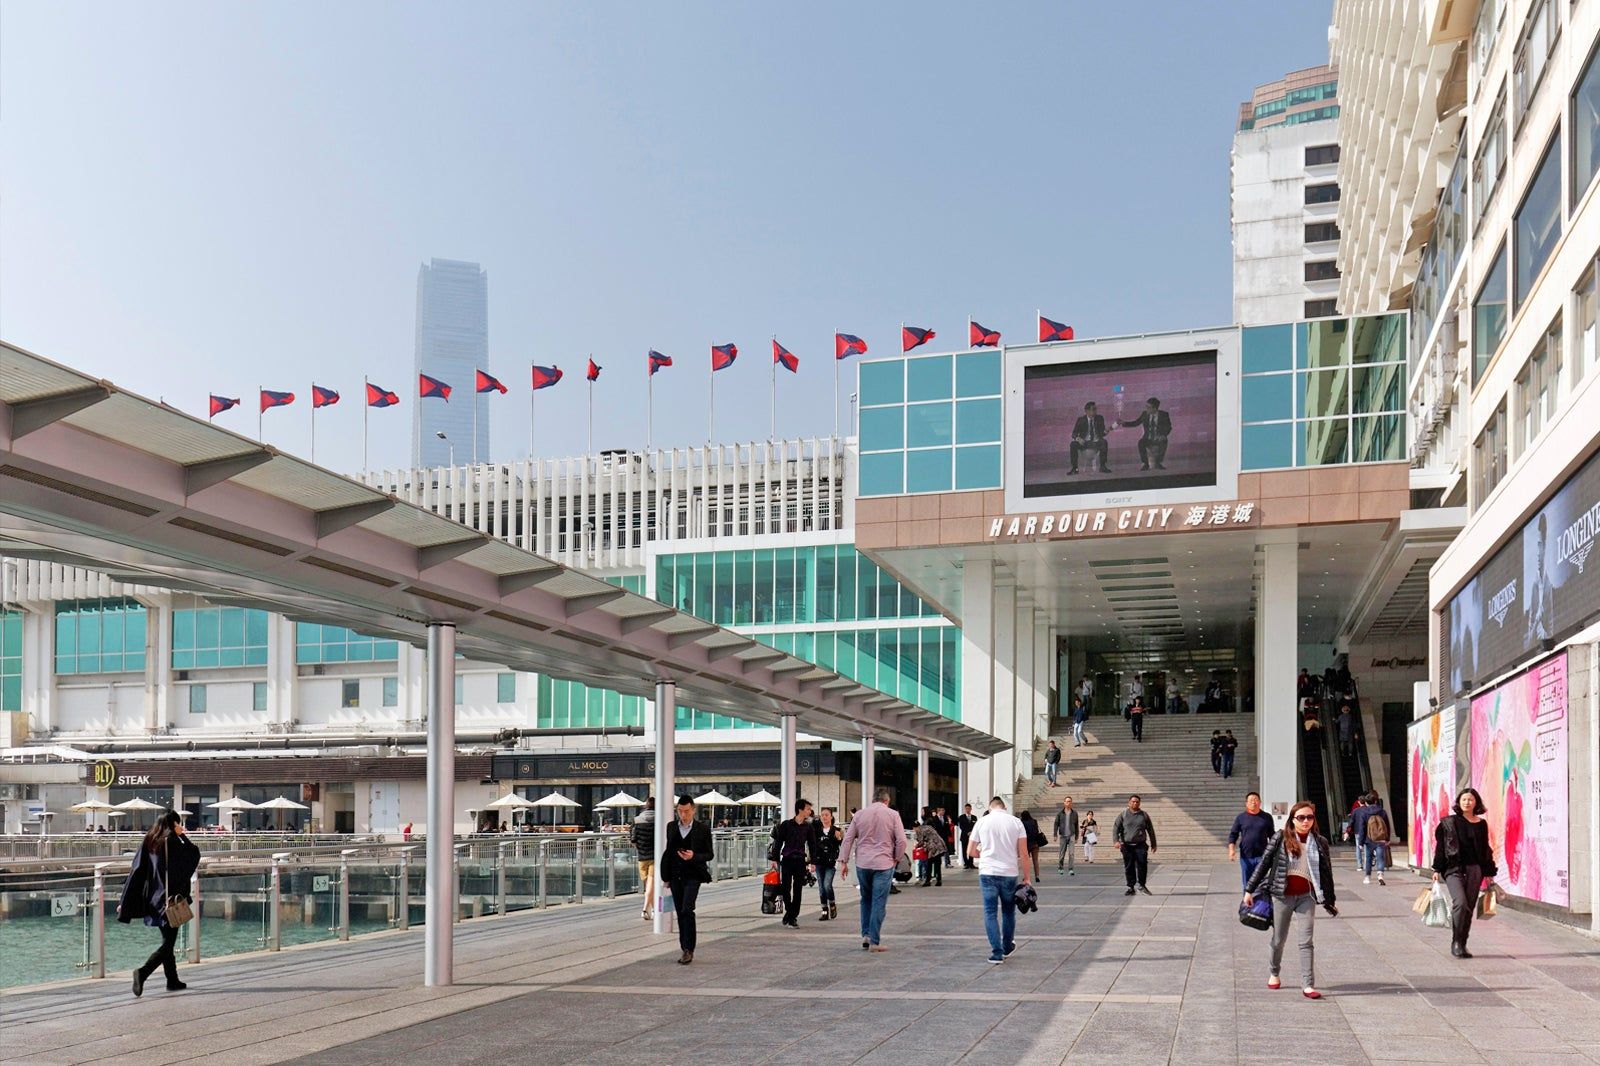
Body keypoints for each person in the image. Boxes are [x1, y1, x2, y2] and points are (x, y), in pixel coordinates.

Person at [1243, 800, 1338, 998]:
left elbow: (1326, 872)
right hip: (1282, 896)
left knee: (1306, 941)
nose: (1305, 821)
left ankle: (1308, 985)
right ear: (1293, 819)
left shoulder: (1320, 842)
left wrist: (1330, 899)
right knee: (1279, 940)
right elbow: (1264, 865)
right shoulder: (1280, 838)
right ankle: (1274, 972)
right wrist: (1249, 890)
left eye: (1309, 817)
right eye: (1301, 817)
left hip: (1307, 896)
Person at [116, 808, 200, 996]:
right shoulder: (173, 842)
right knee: (168, 943)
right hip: (170, 901)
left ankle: (172, 980)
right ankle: (143, 972)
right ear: (174, 824)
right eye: (178, 823)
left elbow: (136, 872)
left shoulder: (150, 841)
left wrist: (125, 900)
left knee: (167, 939)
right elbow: (194, 855)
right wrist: (183, 836)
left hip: (153, 899)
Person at [1432, 787, 1498, 959]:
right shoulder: (1448, 823)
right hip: (1453, 869)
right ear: (1459, 802)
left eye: (1470, 799)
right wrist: (1437, 869)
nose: (1467, 802)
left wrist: (1489, 871)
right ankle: (1455, 941)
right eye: (1464, 799)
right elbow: (1441, 847)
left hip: (1475, 869)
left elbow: (1485, 849)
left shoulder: (1481, 824)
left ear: (1476, 802)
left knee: (1468, 908)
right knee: (1460, 903)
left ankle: (1462, 943)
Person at [838, 787, 906, 952]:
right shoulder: (892, 815)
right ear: (886, 801)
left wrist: (844, 861)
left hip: (863, 863)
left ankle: (866, 935)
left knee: (865, 899)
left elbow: (848, 839)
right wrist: (896, 858)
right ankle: (875, 941)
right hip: (883, 863)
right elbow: (902, 840)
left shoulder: (860, 814)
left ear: (873, 800)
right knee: (878, 902)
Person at [968, 796, 1031, 964]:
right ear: (1004, 807)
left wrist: (986, 854)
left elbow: (971, 851)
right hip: (1009, 872)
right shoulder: (1016, 822)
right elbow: (1024, 853)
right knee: (1008, 911)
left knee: (990, 912)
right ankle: (1007, 946)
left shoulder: (982, 821)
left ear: (990, 808)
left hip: (987, 872)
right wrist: (1027, 877)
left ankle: (996, 953)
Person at [661, 795, 713, 964]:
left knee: (687, 909)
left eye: (686, 811)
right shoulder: (671, 827)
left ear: (693, 810)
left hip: (693, 875)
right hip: (676, 875)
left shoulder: (702, 829)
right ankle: (684, 948)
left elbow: (709, 854)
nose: (683, 815)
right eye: (680, 811)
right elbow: (668, 853)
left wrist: (694, 856)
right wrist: (666, 877)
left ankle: (689, 949)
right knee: (680, 912)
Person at [769, 799, 819, 928]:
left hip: (800, 860)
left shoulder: (808, 827)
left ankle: (792, 916)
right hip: (787, 859)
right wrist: (775, 859)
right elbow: (779, 842)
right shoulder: (786, 825)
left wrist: (813, 861)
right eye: (807, 809)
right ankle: (790, 912)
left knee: (798, 889)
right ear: (800, 809)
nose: (809, 811)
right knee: (786, 888)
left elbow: (812, 845)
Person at [1228, 791, 1276, 889]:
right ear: (1246, 803)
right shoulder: (1241, 818)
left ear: (1260, 802)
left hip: (1262, 856)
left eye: (1256, 800)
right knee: (1247, 883)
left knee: (1261, 883)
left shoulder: (1266, 817)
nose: (1253, 802)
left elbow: (1272, 836)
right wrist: (1231, 850)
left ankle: (1261, 904)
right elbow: (1233, 835)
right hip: (1246, 856)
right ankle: (1247, 903)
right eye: (1251, 800)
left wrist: (1275, 852)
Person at [1112, 794, 1157, 895]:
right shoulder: (1123, 815)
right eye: (1133, 801)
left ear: (1139, 803)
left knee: (1142, 865)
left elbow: (1150, 830)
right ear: (1129, 803)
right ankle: (1131, 887)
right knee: (1129, 866)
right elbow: (1116, 828)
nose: (1135, 803)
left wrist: (1154, 844)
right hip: (1127, 846)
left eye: (1137, 802)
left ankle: (1142, 885)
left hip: (1140, 845)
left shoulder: (1144, 815)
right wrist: (1116, 841)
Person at [1119, 396, 1172, 470]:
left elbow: (1168, 427)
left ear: (1155, 408)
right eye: (1146, 407)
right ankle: (1145, 464)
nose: (1146, 409)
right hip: (1148, 438)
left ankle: (1158, 463)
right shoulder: (1145, 414)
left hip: (1159, 438)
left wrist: (1163, 435)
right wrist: (1124, 423)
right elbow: (1136, 422)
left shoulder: (1164, 415)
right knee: (1141, 442)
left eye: (1148, 407)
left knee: (1164, 441)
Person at [1526, 513, 1555, 642]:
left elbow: (1553, 632)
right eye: (1535, 546)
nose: (1537, 552)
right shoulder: (1535, 585)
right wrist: (1538, 618)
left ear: (1545, 544)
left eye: (1540, 545)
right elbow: (1528, 641)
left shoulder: (1549, 584)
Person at [1355, 791, 1393, 886]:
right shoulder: (1382, 812)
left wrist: (1360, 842)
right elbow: (1386, 826)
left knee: (1368, 858)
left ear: (1366, 803)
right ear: (1376, 801)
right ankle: (1380, 875)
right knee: (1380, 857)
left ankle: (1367, 877)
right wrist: (1387, 839)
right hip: (1380, 839)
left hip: (1369, 839)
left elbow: (1362, 828)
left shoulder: (1364, 812)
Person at [814, 807, 843, 920]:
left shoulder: (836, 830)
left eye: (826, 815)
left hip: (831, 863)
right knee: (821, 888)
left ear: (831, 816)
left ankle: (832, 904)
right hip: (819, 861)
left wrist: (839, 837)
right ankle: (824, 910)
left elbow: (841, 845)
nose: (824, 817)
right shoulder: (816, 831)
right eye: (822, 815)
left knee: (827, 885)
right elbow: (812, 846)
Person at [631, 797, 657, 920]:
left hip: (642, 856)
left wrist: (640, 848)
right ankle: (645, 909)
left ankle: (654, 910)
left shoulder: (636, 820)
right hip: (655, 855)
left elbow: (633, 839)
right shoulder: (660, 819)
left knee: (648, 884)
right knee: (651, 884)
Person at [1069, 401, 1111, 474]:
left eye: (1096, 409)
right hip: (1084, 442)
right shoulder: (1081, 420)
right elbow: (1074, 433)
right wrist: (1078, 439)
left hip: (1096, 442)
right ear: (1087, 411)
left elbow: (1101, 434)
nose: (1095, 411)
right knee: (1073, 444)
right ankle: (1074, 468)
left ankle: (1103, 466)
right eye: (1093, 409)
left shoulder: (1100, 418)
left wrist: (1105, 432)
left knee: (1104, 442)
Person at [913, 815, 946, 886]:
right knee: (937, 864)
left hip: (933, 847)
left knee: (929, 864)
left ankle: (928, 880)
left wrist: (916, 846)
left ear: (915, 827)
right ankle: (939, 880)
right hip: (940, 845)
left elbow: (921, 842)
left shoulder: (919, 830)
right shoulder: (928, 827)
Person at [1053, 795, 1079, 876]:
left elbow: (1076, 825)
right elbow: (1056, 824)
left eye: (1070, 801)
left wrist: (1077, 836)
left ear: (1071, 803)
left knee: (1071, 853)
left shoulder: (1074, 813)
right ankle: (1060, 867)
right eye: (1067, 801)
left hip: (1071, 835)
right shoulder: (1060, 813)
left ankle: (1071, 869)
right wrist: (1055, 834)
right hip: (1063, 836)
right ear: (1064, 803)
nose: (1068, 803)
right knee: (1062, 853)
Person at [1019, 810, 1044, 881]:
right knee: (1035, 861)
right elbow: (1036, 831)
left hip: (1026, 844)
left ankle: (1026, 876)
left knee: (1026, 861)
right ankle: (1037, 876)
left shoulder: (1022, 823)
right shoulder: (1034, 821)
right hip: (1035, 844)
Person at [956, 803, 978, 869]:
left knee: (971, 849)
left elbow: (975, 826)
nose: (968, 810)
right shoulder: (961, 817)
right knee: (964, 850)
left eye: (969, 809)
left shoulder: (974, 817)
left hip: (972, 836)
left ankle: (971, 864)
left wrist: (971, 832)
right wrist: (967, 832)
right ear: (965, 809)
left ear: (971, 809)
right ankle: (966, 863)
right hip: (964, 836)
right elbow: (961, 826)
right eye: (966, 809)